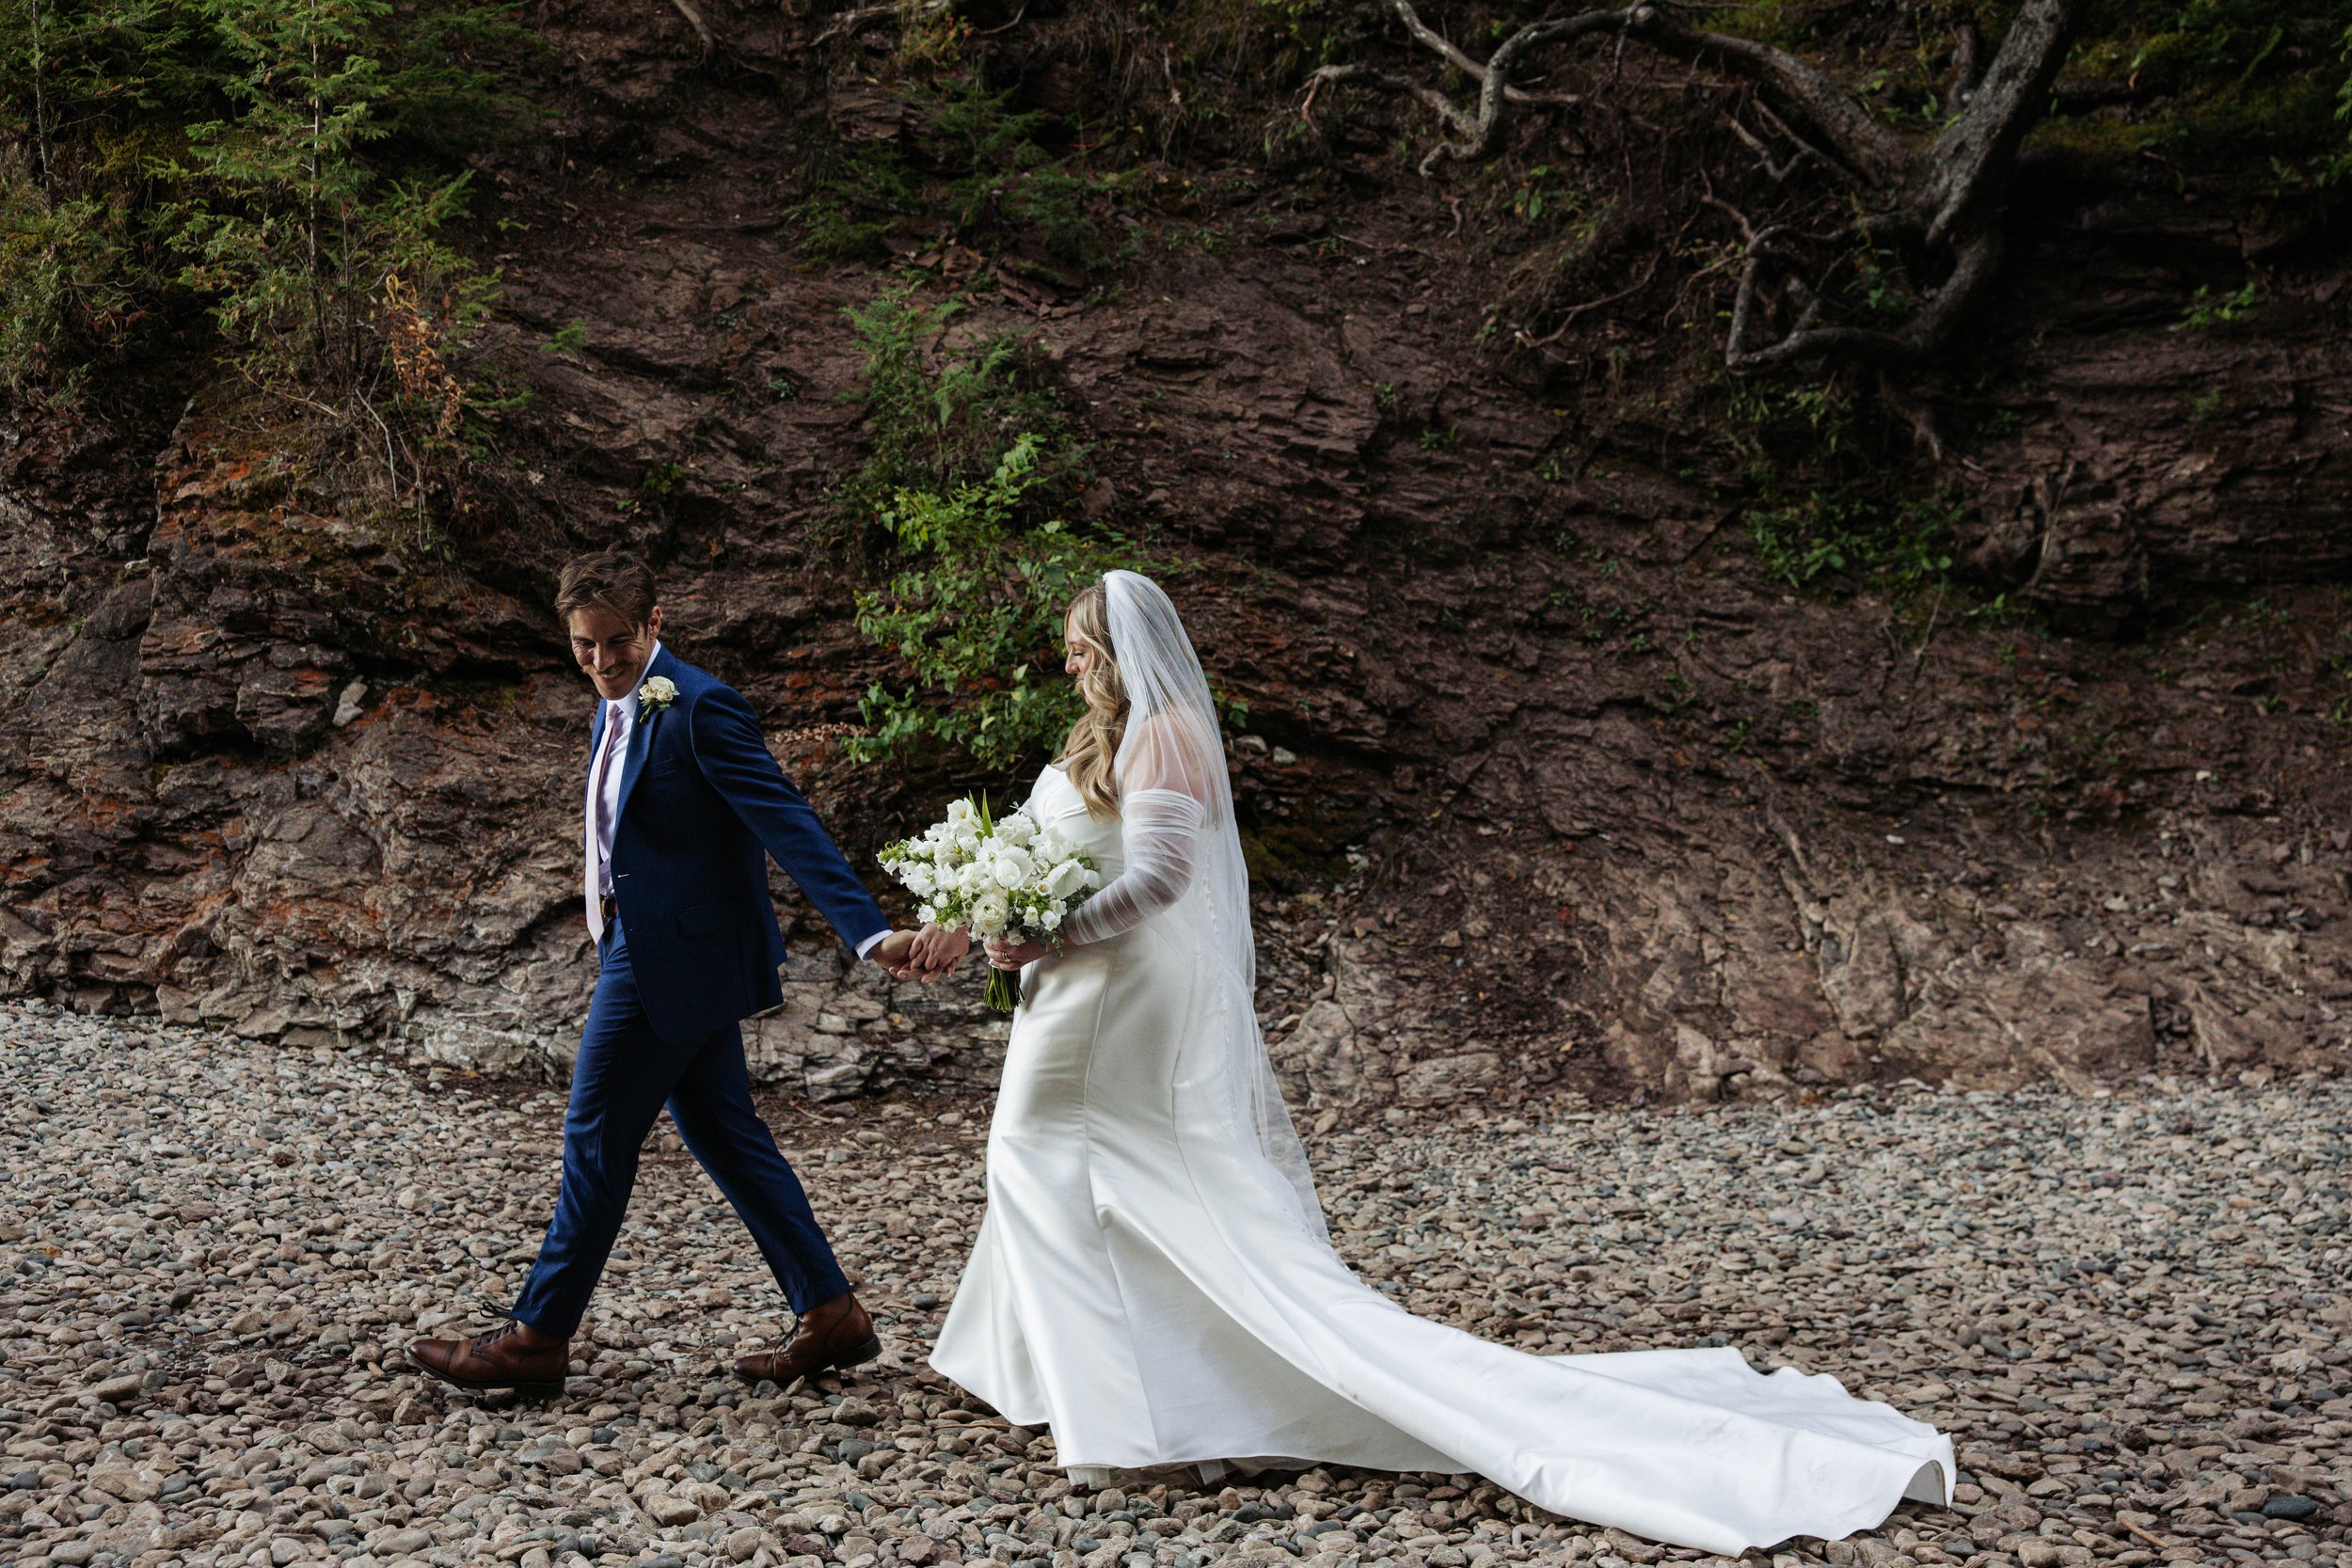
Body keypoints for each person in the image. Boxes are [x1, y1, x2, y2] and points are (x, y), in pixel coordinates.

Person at [927, 569, 1953, 1557]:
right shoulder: (1099, 739)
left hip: (1114, 994)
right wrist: (976, 917)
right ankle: (1056, 1375)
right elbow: (1045, 853)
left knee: (1043, 1159)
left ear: (1120, 650)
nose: (1070, 671)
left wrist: (1048, 933)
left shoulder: (1166, 734)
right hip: (1074, 993)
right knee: (1075, 1175)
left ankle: (1129, 1419)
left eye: (1079, 652)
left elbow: (1157, 878)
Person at [407, 550, 967, 1398]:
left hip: (671, 955)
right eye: (582, 646)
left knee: (595, 1132)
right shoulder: (613, 703)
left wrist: (869, 934)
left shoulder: (702, 707)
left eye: (616, 642)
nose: (600, 662)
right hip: (645, 943)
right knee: (722, 1129)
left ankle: (536, 1336)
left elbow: (787, 821)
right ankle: (831, 1311)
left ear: (655, 624)